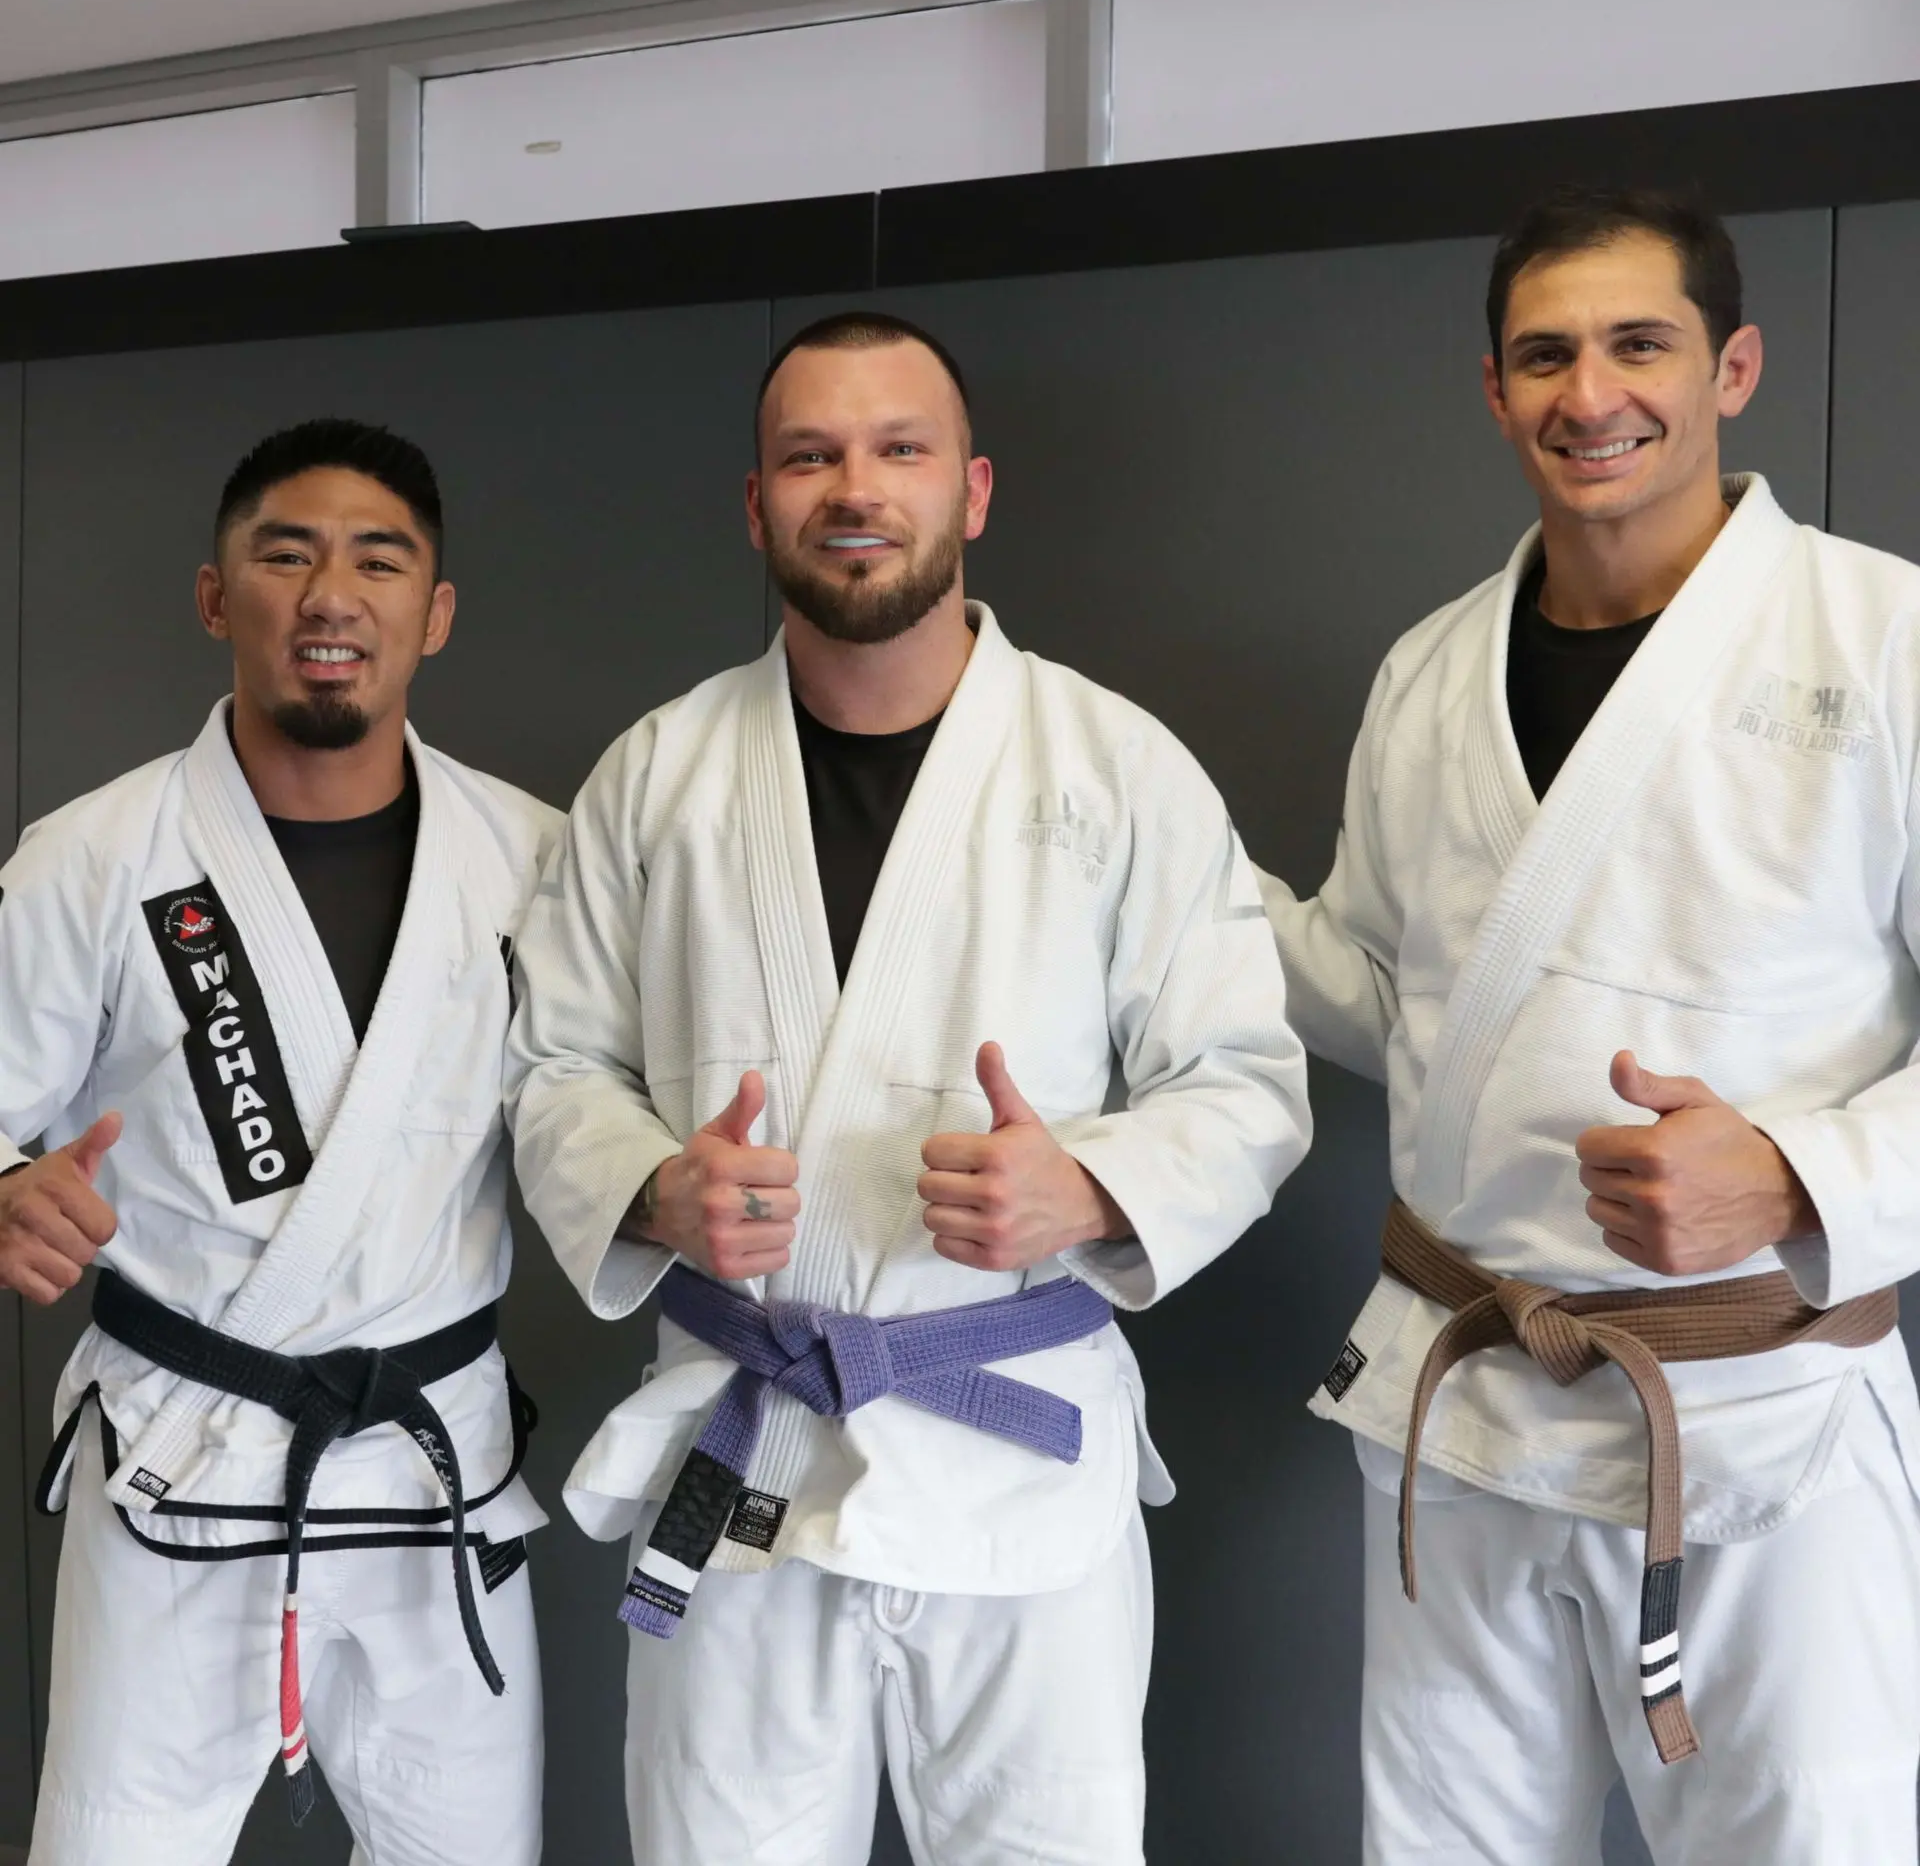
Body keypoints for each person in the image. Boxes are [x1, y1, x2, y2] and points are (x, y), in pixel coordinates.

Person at [506, 311, 1310, 1865]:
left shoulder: (1115, 767)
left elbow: (1247, 1082)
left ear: (975, 490)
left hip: (1020, 1453)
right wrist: (652, 1186)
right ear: (758, 506)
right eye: (809, 456)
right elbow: (553, 1065)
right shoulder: (657, 776)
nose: (853, 488)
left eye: (899, 450)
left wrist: (1090, 1187)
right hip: (747, 1435)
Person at [1263, 186, 1920, 1863]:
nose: (1591, 392)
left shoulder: (1888, 639)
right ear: (1495, 391)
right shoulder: (1430, 673)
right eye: (1544, 355)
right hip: (1466, 1399)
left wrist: (1792, 1177)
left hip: (1759, 1413)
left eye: (1641, 343)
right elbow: (1378, 991)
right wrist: (1167, 888)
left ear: (1736, 367)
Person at [4, 419, 558, 1866]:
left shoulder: (535, 864)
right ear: (215, 597)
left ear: (432, 616)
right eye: (285, 555)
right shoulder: (93, 860)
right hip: (184, 1460)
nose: (331, 595)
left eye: (379, 561)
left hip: (438, 1484)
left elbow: (606, 1119)